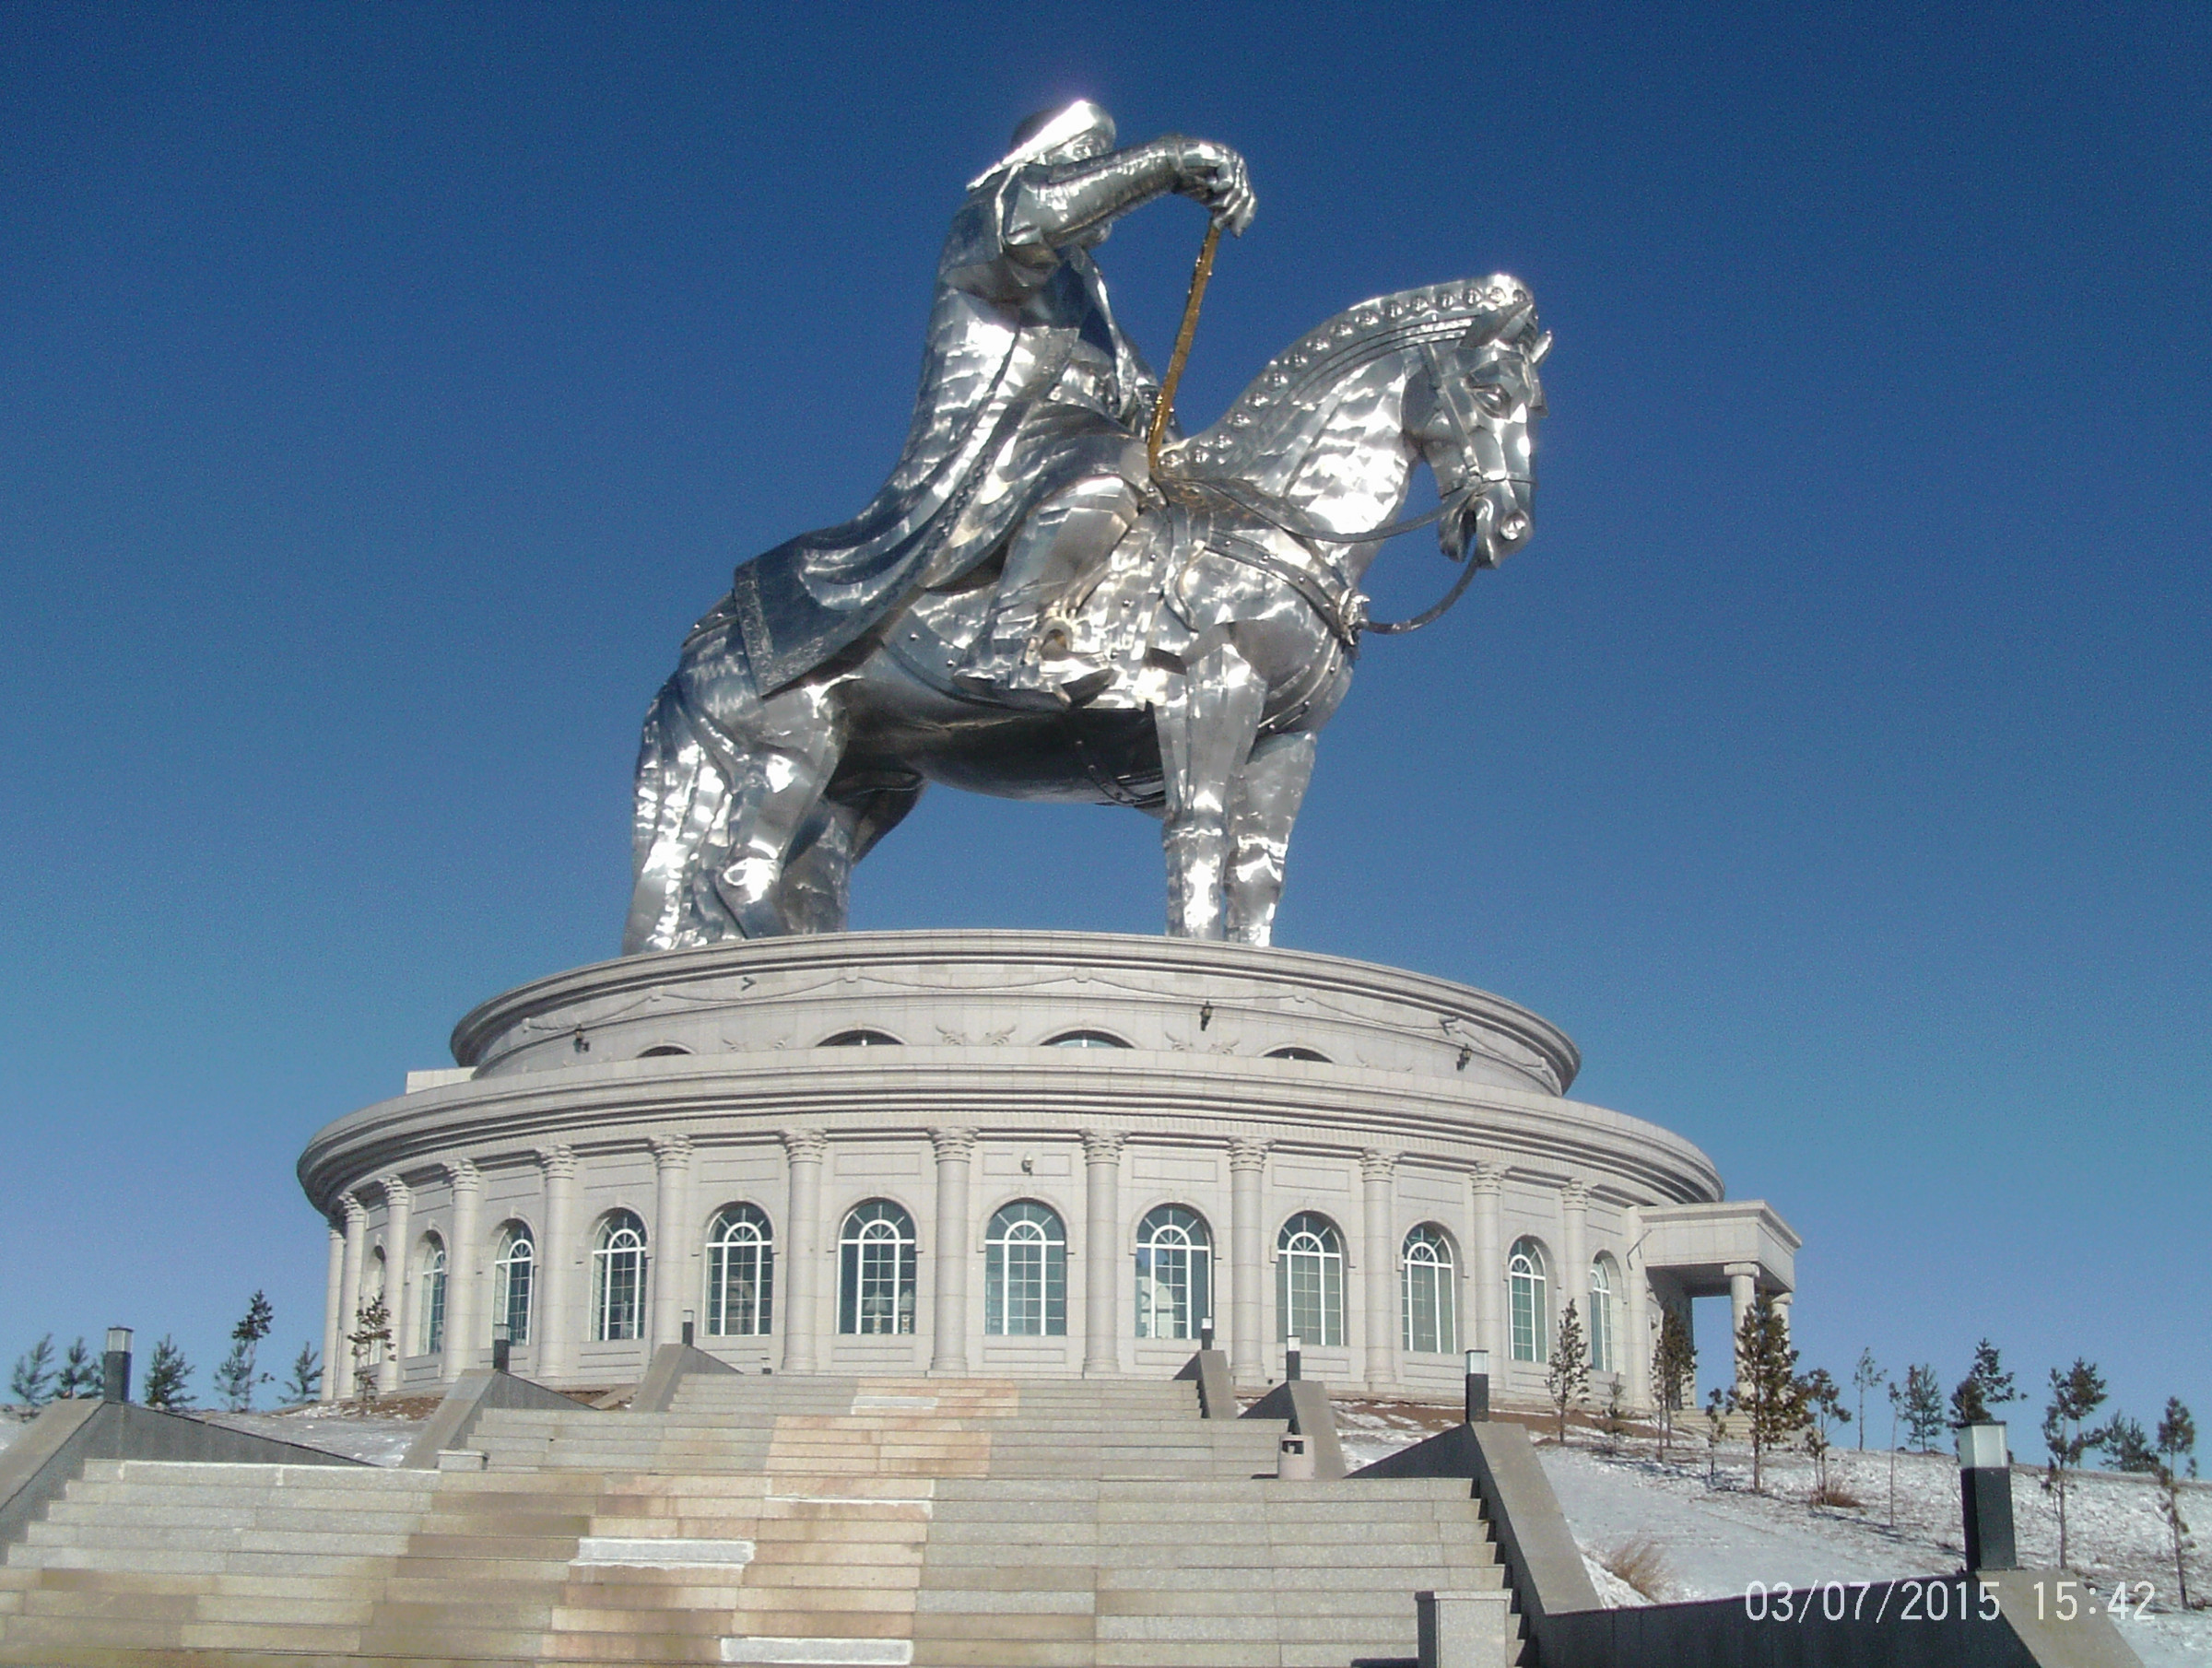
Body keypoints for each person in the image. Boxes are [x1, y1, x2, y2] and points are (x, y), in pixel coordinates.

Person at [724, 100, 1254, 704]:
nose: (1102, 171)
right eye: (1085, 157)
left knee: (1161, 498)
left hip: (1055, 457)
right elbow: (1042, 217)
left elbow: (1145, 403)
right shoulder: (994, 215)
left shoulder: (1090, 298)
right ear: (1042, 162)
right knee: (1112, 461)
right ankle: (1012, 644)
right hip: (994, 458)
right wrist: (1169, 160)